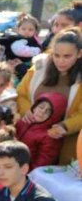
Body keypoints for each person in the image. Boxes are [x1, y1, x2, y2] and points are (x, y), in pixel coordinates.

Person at [15, 27, 82, 165]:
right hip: (28, 139)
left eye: (67, 56)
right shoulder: (39, 67)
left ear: (79, 53)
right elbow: (21, 94)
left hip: (66, 145)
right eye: (56, 55)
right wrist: (27, 110)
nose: (60, 61)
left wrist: (65, 126)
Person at [16, 95, 66, 169]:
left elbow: (42, 164)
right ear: (34, 107)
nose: (42, 112)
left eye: (48, 111)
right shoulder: (23, 121)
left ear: (54, 116)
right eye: (41, 107)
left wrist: (25, 174)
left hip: (26, 173)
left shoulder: (50, 136)